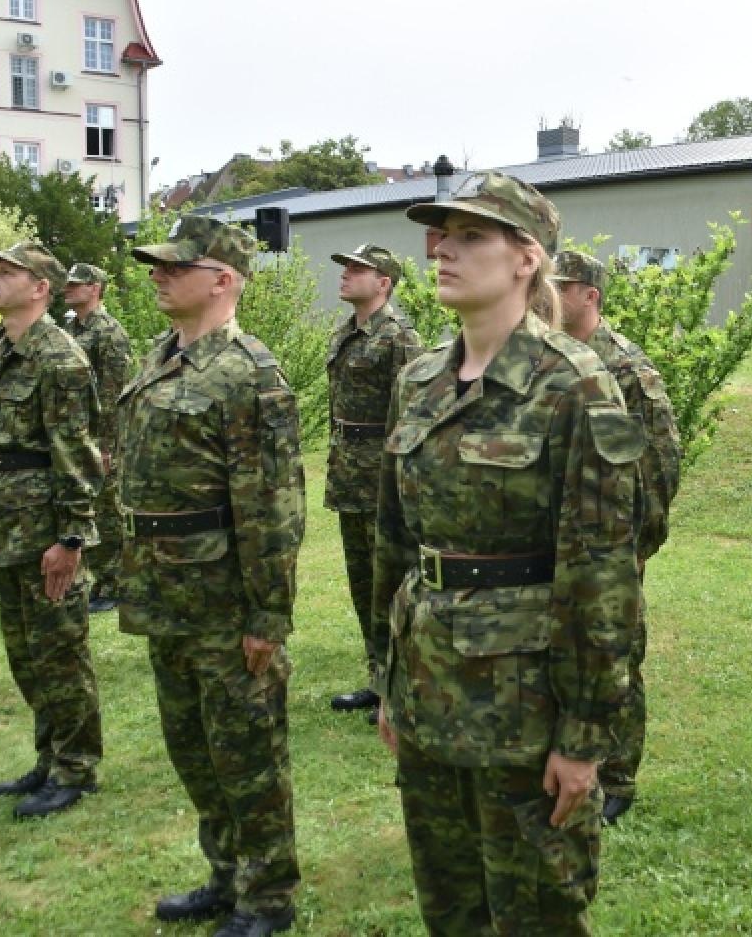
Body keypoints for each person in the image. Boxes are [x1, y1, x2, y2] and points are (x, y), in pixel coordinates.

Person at [372, 171, 643, 935]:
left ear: (526, 259)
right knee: (448, 905)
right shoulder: (419, 380)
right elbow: (394, 541)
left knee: (537, 911)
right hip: (427, 684)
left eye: (470, 237)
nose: (443, 250)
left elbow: (603, 574)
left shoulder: (577, 384)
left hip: (524, 706)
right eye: (442, 236)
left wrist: (585, 736)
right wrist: (387, 678)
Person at [120, 216, 306, 937]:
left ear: (223, 279)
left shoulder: (248, 372)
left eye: (176, 266)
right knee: (193, 748)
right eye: (158, 265)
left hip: (224, 600)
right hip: (163, 593)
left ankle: (269, 895)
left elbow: (273, 506)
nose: (158, 274)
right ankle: (225, 874)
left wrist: (268, 616)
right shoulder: (161, 355)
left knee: (247, 755)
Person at [0, 241, 105, 819]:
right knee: (26, 652)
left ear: (40, 288)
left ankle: (76, 767)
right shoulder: (3, 347)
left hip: (45, 528)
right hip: (6, 523)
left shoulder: (59, 358)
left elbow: (76, 453)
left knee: (60, 651)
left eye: (7, 272)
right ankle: (49, 755)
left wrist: (71, 537)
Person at [552, 248, 682, 824]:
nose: (549, 296)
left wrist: (634, 546)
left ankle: (619, 777)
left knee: (619, 650)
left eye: (562, 287)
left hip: (615, 540)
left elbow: (658, 464)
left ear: (590, 296)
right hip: (564, 538)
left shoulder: (625, 367)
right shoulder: (549, 360)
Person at [325, 244, 421, 718]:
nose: (346, 274)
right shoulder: (345, 332)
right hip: (349, 474)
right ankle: (377, 675)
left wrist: (402, 480)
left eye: (357, 269)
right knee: (362, 582)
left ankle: (404, 682)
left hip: (382, 476)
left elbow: (413, 415)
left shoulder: (400, 337)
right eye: (345, 267)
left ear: (383, 282)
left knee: (392, 584)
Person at [64, 262, 133, 614]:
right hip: (73, 434)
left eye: (76, 284)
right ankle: (91, 578)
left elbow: (113, 392)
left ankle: (113, 582)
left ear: (95, 288)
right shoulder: (69, 329)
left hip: (100, 436)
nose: (68, 288)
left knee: (106, 510)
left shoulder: (109, 332)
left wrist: (106, 445)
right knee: (79, 505)